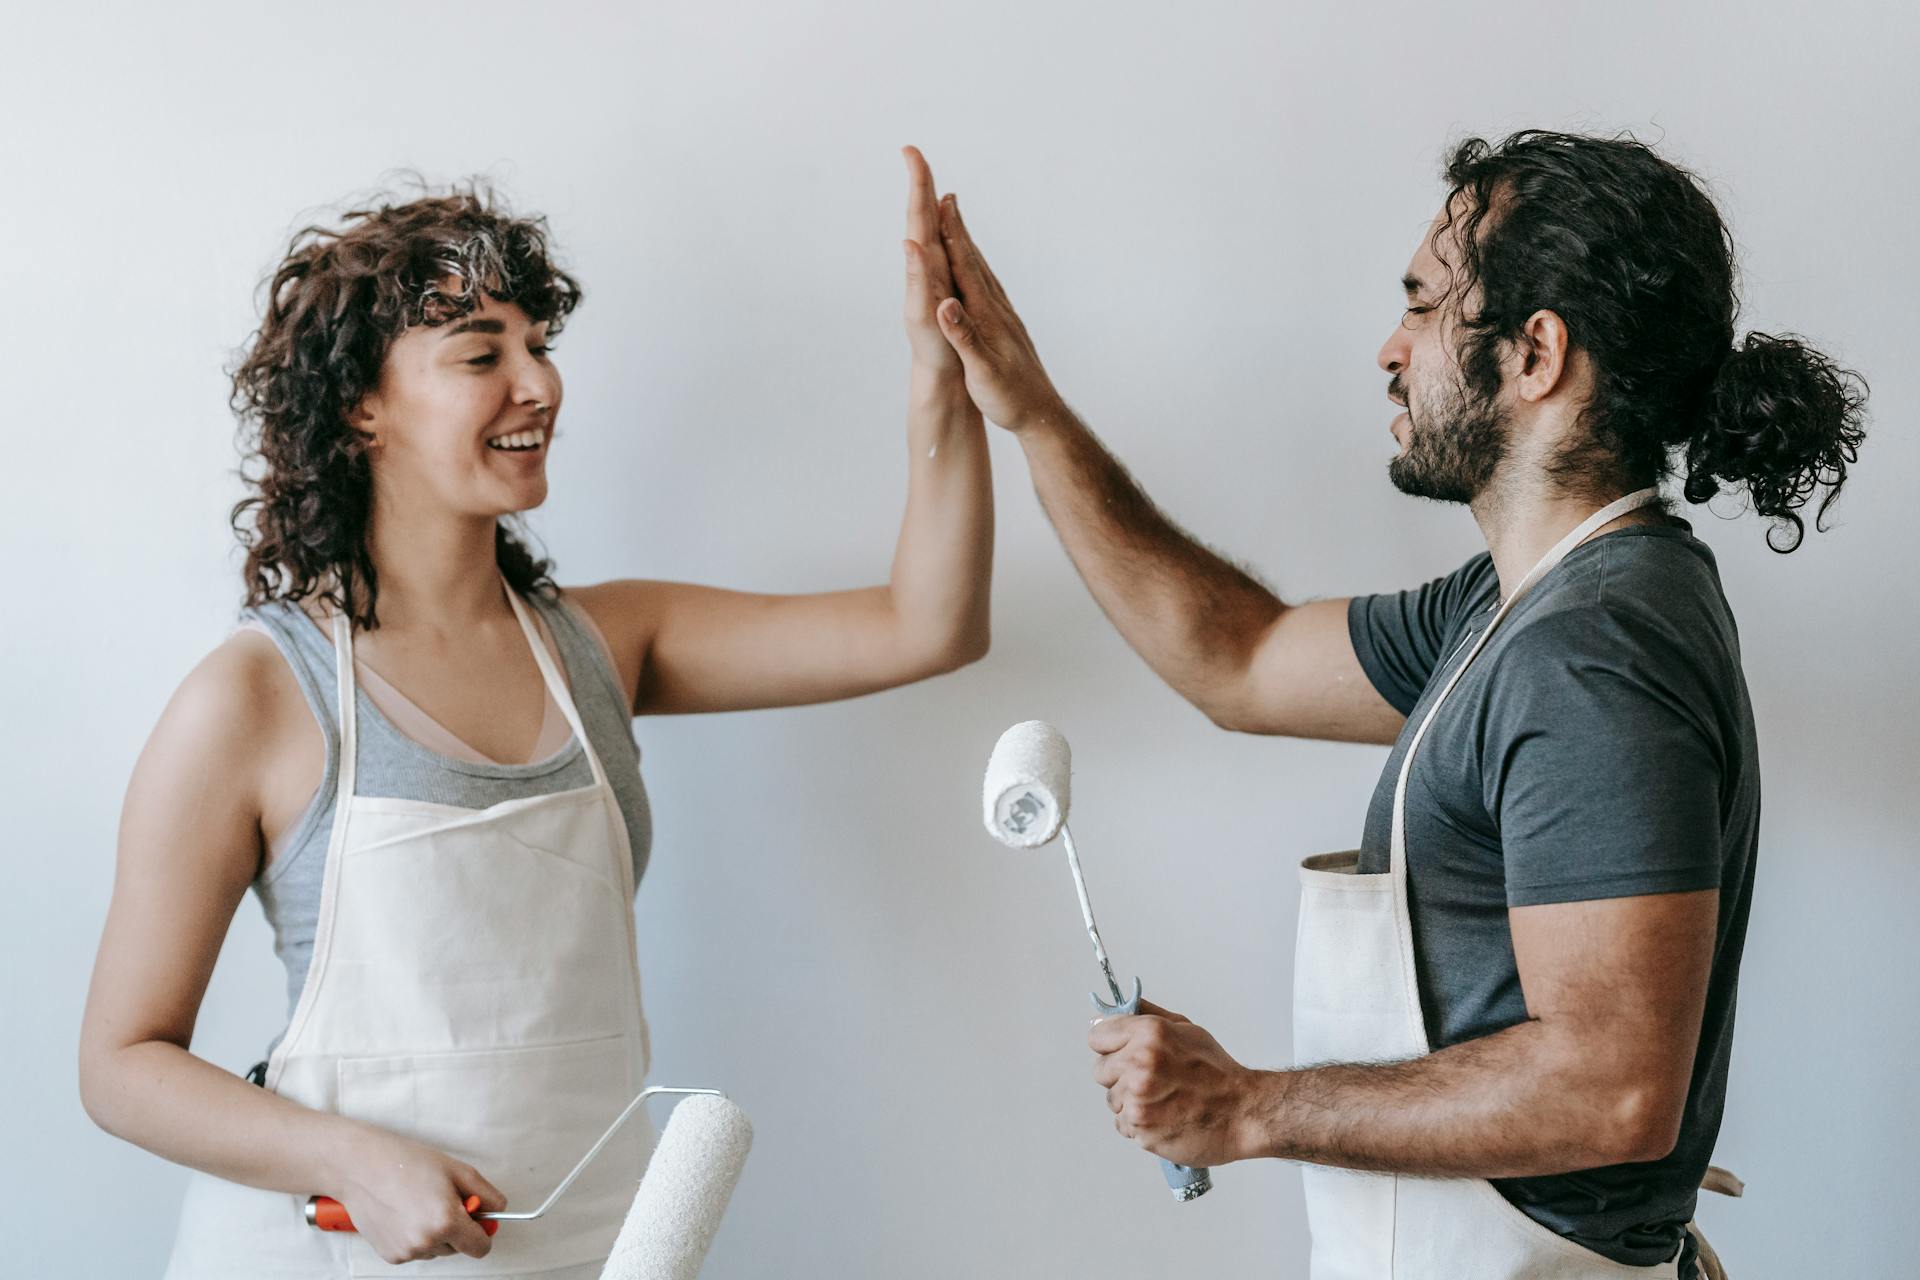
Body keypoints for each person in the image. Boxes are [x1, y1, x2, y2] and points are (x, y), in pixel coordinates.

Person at [924, 131, 1866, 1278]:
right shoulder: (1519, 601)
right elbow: (1242, 655)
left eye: (1422, 303)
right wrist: (1030, 412)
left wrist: (1252, 1106)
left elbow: (1613, 1085)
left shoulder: (1592, 650)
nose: (1391, 347)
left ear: (1535, 356)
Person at [78, 147, 991, 1276]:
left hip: (596, 1251)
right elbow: (121, 1061)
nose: (540, 384)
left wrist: (940, 372)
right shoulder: (260, 693)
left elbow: (929, 622)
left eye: (539, 346)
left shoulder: (605, 645)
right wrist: (349, 1154)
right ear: (362, 407)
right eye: (481, 354)